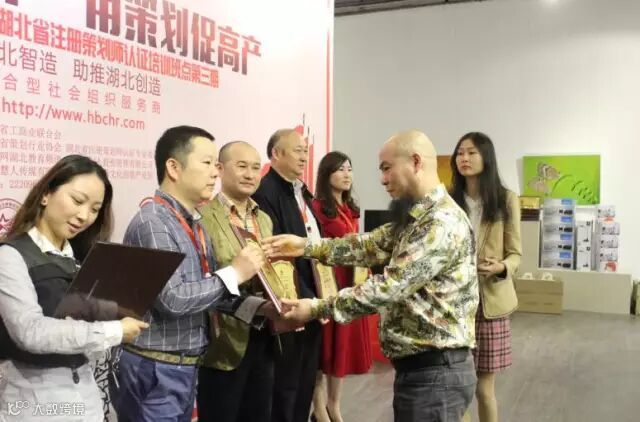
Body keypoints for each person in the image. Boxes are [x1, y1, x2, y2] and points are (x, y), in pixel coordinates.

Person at [262, 130, 479, 422]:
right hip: (427, 371)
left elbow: (390, 287)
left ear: (416, 162)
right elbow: (368, 245)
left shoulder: (438, 222)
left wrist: (316, 308)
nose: (383, 179)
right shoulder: (418, 216)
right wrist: (306, 246)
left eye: (387, 168)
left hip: (434, 373)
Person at [113, 126, 266, 422]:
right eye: (207, 163)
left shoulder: (194, 222)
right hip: (155, 367)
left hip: (182, 366)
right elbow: (173, 300)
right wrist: (235, 273)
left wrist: (261, 309)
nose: (215, 173)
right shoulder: (153, 223)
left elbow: (208, 290)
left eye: (216, 165)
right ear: (173, 167)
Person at [0, 155, 148, 422]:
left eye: (95, 209)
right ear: (46, 194)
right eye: (78, 201)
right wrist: (113, 330)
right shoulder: (11, 255)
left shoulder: (82, 260)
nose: (84, 216)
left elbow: (88, 340)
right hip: (35, 403)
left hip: (86, 397)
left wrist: (116, 312)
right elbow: (31, 332)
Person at [197, 141, 280, 422]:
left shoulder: (264, 219)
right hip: (224, 340)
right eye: (242, 166)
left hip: (264, 334)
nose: (250, 174)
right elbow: (205, 282)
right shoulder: (203, 219)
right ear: (220, 169)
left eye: (256, 168)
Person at [252, 128, 323, 422]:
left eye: (305, 151)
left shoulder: (301, 191)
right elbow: (277, 256)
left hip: (313, 299)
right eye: (297, 151)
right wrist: (304, 298)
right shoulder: (266, 193)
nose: (304, 157)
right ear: (276, 154)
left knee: (305, 381)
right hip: (291, 301)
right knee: (286, 385)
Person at [451, 132, 522, 422]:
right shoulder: (448, 201)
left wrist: (501, 267)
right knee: (457, 386)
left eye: (471, 152)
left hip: (489, 302)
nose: (464, 158)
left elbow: (515, 254)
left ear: (486, 157)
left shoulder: (506, 200)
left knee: (483, 389)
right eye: (460, 153)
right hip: (453, 301)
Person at [310, 151, 372, 422]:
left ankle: (334, 406)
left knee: (341, 349)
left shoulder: (350, 208)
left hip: (350, 283)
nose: (347, 174)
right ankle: (319, 409)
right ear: (326, 175)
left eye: (349, 169)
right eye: (340, 169)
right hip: (327, 284)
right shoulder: (316, 208)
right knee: (322, 351)